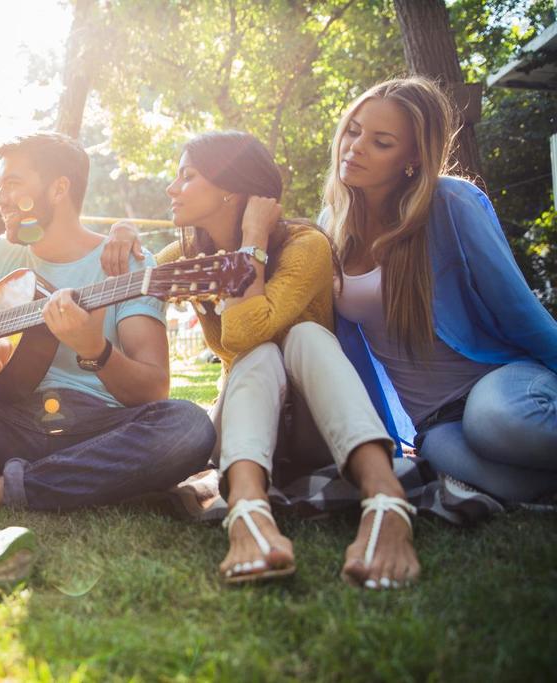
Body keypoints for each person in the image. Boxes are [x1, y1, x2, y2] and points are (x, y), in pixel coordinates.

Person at [0, 132, 216, 622]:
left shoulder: (128, 264)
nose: (0, 198)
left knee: (188, 425)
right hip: (2, 420)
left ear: (58, 189)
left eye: (12, 183)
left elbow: (152, 387)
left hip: (91, 429)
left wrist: (96, 350)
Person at [104, 131, 419, 589]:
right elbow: (138, 268)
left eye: (187, 177)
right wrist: (121, 233)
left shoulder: (305, 247)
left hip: (317, 430)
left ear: (231, 187)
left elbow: (244, 332)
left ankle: (385, 500)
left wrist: (252, 240)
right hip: (243, 426)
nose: (172, 189)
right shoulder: (191, 256)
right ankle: (249, 509)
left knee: (303, 336)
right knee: (260, 353)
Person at [323, 76, 557, 503]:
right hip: (435, 422)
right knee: (512, 489)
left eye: (382, 142)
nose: (355, 147)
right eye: (354, 130)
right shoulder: (331, 228)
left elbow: (518, 310)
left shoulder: (451, 202)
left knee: (494, 422)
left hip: (500, 383)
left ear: (413, 156)